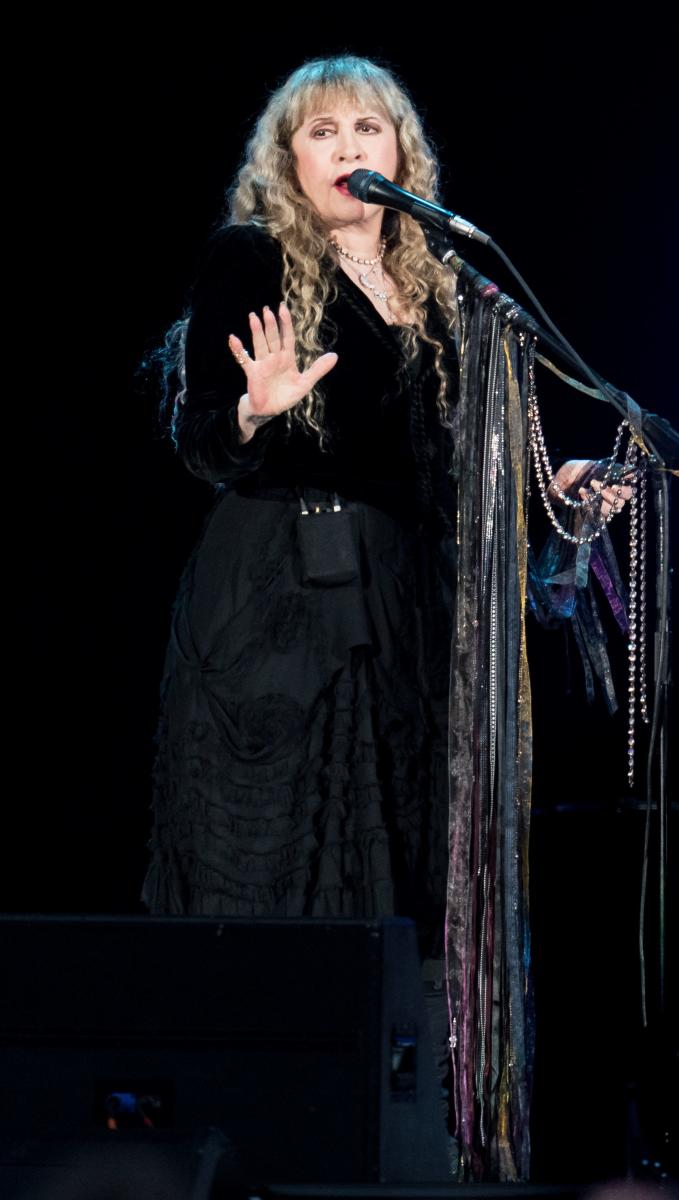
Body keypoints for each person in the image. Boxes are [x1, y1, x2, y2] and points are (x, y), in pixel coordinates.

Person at [143, 56, 460, 962]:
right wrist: (252, 409)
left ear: (401, 155)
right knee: (283, 857)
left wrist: (546, 493)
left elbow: (437, 467)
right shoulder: (254, 256)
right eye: (322, 131)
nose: (348, 147)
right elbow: (202, 437)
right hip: (281, 593)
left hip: (401, 600)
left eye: (368, 128)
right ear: (288, 158)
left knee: (398, 855)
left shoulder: (441, 290)